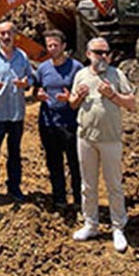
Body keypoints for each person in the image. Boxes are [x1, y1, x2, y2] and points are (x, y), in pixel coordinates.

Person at [70, 37, 136, 253]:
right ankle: (91, 224)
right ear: (88, 54)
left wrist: (113, 95)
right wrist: (77, 98)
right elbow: (72, 104)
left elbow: (132, 105)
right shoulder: (81, 75)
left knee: (114, 185)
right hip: (86, 137)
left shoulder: (117, 75)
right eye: (98, 52)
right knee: (87, 184)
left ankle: (118, 227)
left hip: (110, 139)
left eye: (106, 52)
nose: (103, 56)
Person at [0, 20, 34, 203]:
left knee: (15, 152)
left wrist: (26, 83)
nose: (5, 37)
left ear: (15, 35)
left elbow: (31, 78)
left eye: (9, 33)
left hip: (16, 113)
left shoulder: (22, 56)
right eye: (2, 33)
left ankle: (14, 187)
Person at [32, 29, 82, 210]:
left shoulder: (76, 68)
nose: (52, 49)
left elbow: (83, 93)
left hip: (70, 123)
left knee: (75, 163)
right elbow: (36, 91)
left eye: (55, 45)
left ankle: (78, 200)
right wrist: (38, 95)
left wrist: (71, 98)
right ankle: (59, 199)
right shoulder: (43, 68)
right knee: (54, 164)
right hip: (48, 123)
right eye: (49, 46)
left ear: (64, 46)